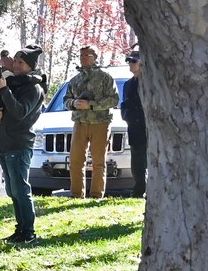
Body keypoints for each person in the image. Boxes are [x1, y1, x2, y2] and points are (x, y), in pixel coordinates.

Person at [0, 47, 48, 243]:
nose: (15, 65)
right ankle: (20, 229)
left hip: (20, 143)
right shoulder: (12, 84)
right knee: (12, 191)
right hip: (4, 143)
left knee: (21, 189)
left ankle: (29, 231)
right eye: (14, 61)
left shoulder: (33, 88)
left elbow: (20, 112)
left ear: (30, 66)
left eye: (20, 63)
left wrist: (4, 90)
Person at [62, 45, 119, 198]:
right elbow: (65, 100)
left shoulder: (105, 77)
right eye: (81, 56)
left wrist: (92, 105)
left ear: (95, 57)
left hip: (100, 123)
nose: (83, 58)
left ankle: (96, 195)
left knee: (98, 162)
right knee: (75, 160)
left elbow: (114, 100)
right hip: (80, 123)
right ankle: (76, 194)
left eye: (87, 55)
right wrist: (74, 103)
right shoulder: (75, 80)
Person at [121, 51, 146, 197]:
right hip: (134, 127)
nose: (131, 64)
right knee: (137, 160)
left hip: (148, 126)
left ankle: (148, 188)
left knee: (148, 158)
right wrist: (127, 117)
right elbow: (125, 104)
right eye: (129, 61)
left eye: (134, 61)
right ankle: (138, 188)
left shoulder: (149, 82)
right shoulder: (128, 84)